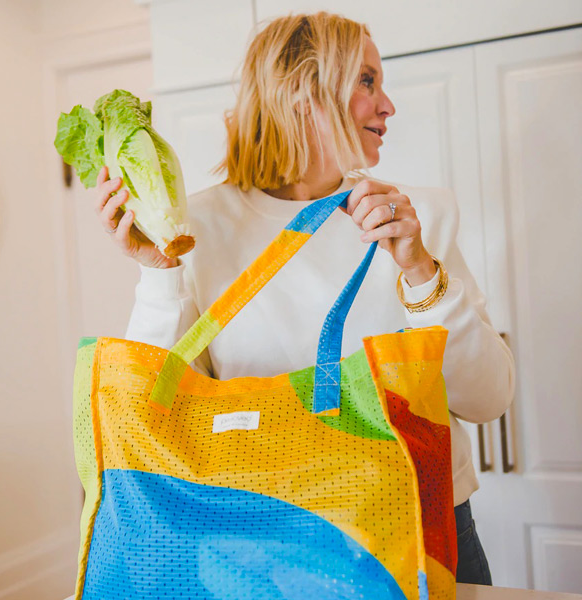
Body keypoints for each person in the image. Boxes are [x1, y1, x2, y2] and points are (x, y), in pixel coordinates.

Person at [94, 11, 514, 586]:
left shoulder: (417, 218)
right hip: (264, 538)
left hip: (423, 525)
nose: (387, 104)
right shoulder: (199, 227)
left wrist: (419, 269)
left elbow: (488, 398)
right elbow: (154, 417)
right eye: (366, 80)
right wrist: (158, 273)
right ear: (302, 94)